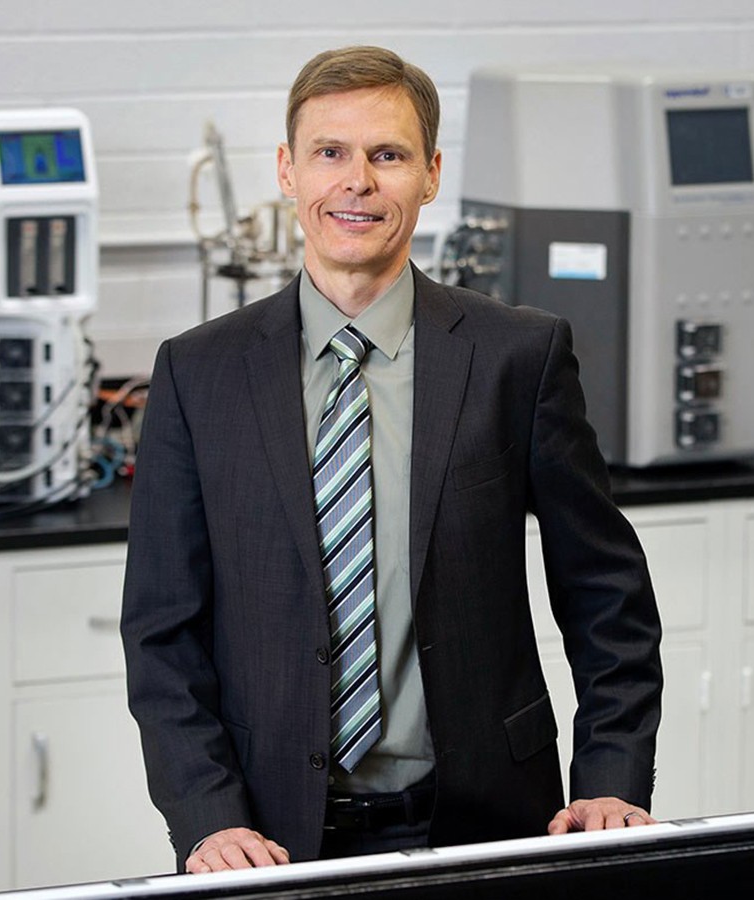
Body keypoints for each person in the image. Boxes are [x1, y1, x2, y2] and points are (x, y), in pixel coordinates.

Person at [120, 45, 663, 873]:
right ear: (288, 170)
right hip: (267, 840)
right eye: (330, 153)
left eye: (388, 155)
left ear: (431, 174)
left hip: (491, 822)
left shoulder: (517, 357)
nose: (357, 183)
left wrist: (611, 781)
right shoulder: (199, 374)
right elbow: (163, 632)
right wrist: (207, 818)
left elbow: (607, 594)